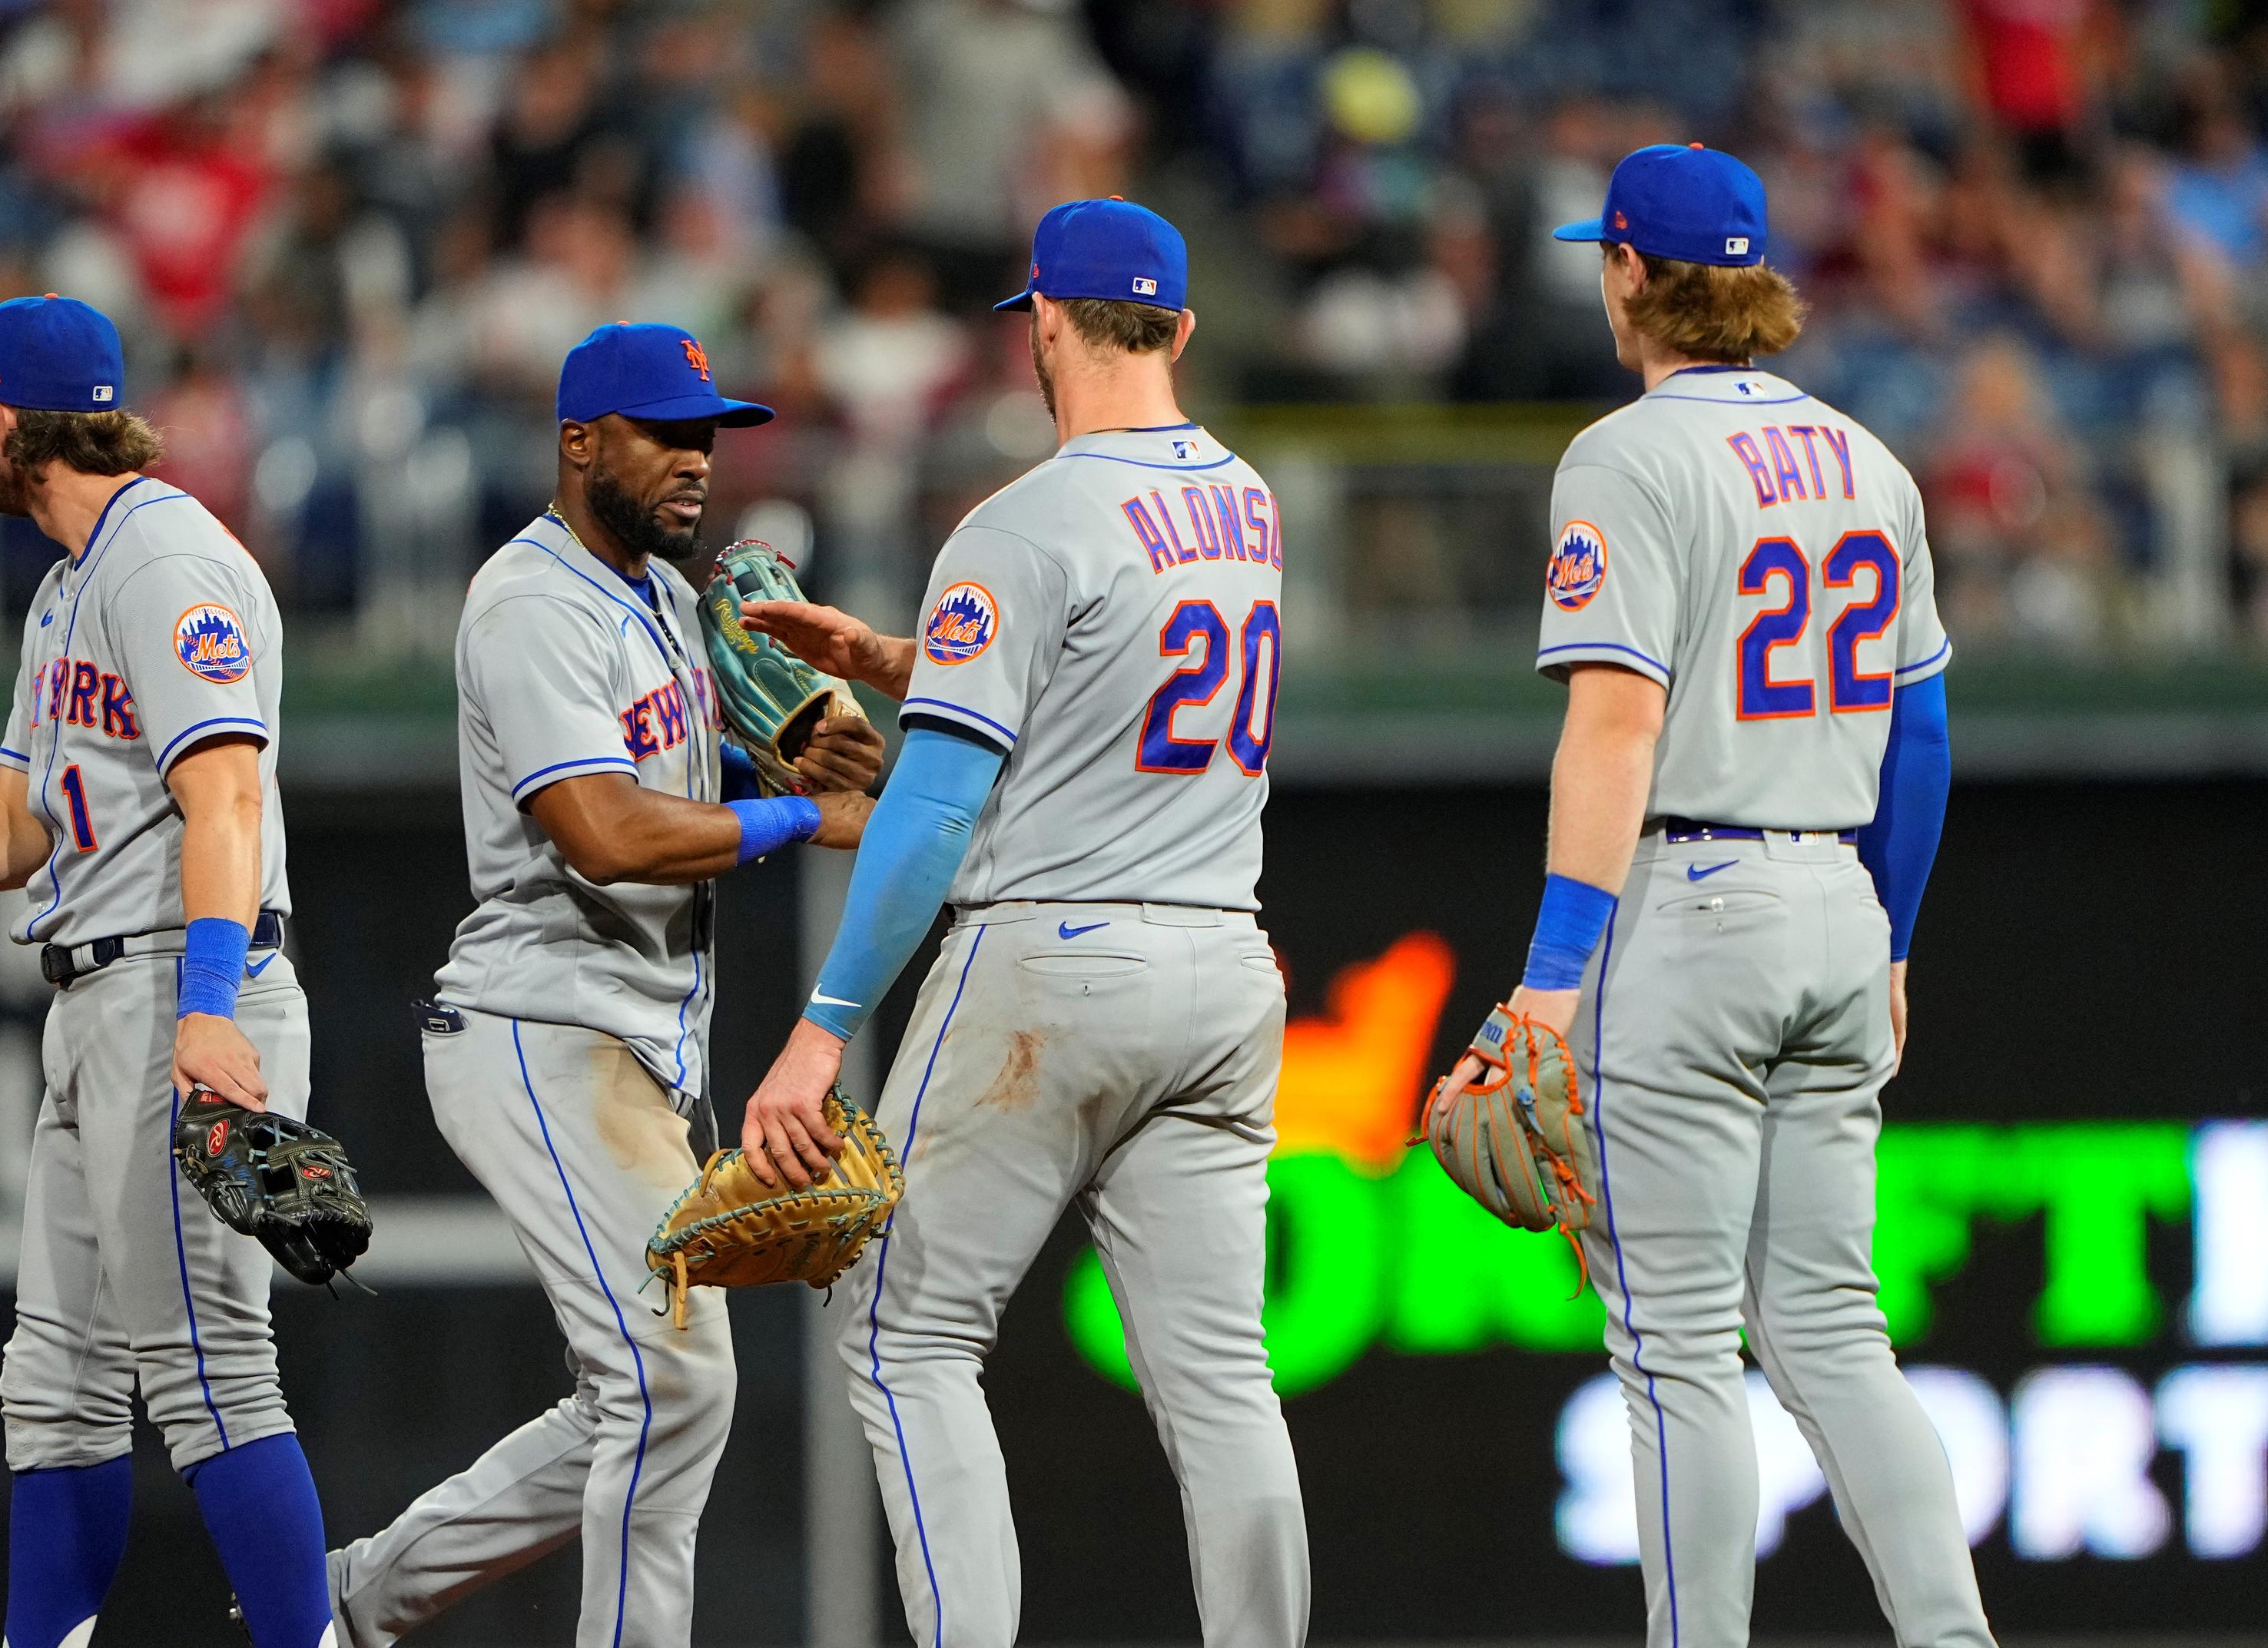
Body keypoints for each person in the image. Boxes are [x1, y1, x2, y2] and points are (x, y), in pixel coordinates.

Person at [737, 199, 1308, 1648]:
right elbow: (1110, 655)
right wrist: (893, 658)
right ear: (1178, 326)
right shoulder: (1251, 501)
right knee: (1223, 1376)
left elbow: (930, 813)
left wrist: (817, 1036)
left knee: (899, 1334)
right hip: (1224, 967)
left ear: (1044, 324)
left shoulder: (1018, 518)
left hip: (1050, 963)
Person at [1436, 144, 1985, 1648]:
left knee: (1675, 1348)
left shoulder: (1627, 453)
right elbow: (1921, 734)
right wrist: (1892, 934)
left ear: (1626, 272)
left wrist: (1553, 977)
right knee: (1832, 1329)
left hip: (1692, 902)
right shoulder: (1869, 456)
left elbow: (1613, 727)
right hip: (1835, 907)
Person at [0, 294, 340, 1648]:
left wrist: (207, 1014)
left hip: (183, 987)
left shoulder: (163, 563)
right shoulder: (68, 585)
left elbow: (228, 801)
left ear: (4, 420)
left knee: (212, 1373)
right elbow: (21, 824)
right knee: (59, 1390)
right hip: (101, 993)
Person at [327, 321, 883, 1648]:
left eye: (709, 435)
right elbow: (607, 833)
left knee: (633, 1394)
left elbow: (697, 794)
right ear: (580, 442)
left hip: (629, 1041)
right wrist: (802, 824)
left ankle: (349, 1602)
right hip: (539, 1028)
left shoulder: (661, 598)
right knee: (677, 1383)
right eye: (665, 434)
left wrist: (809, 750)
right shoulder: (529, 602)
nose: (697, 460)